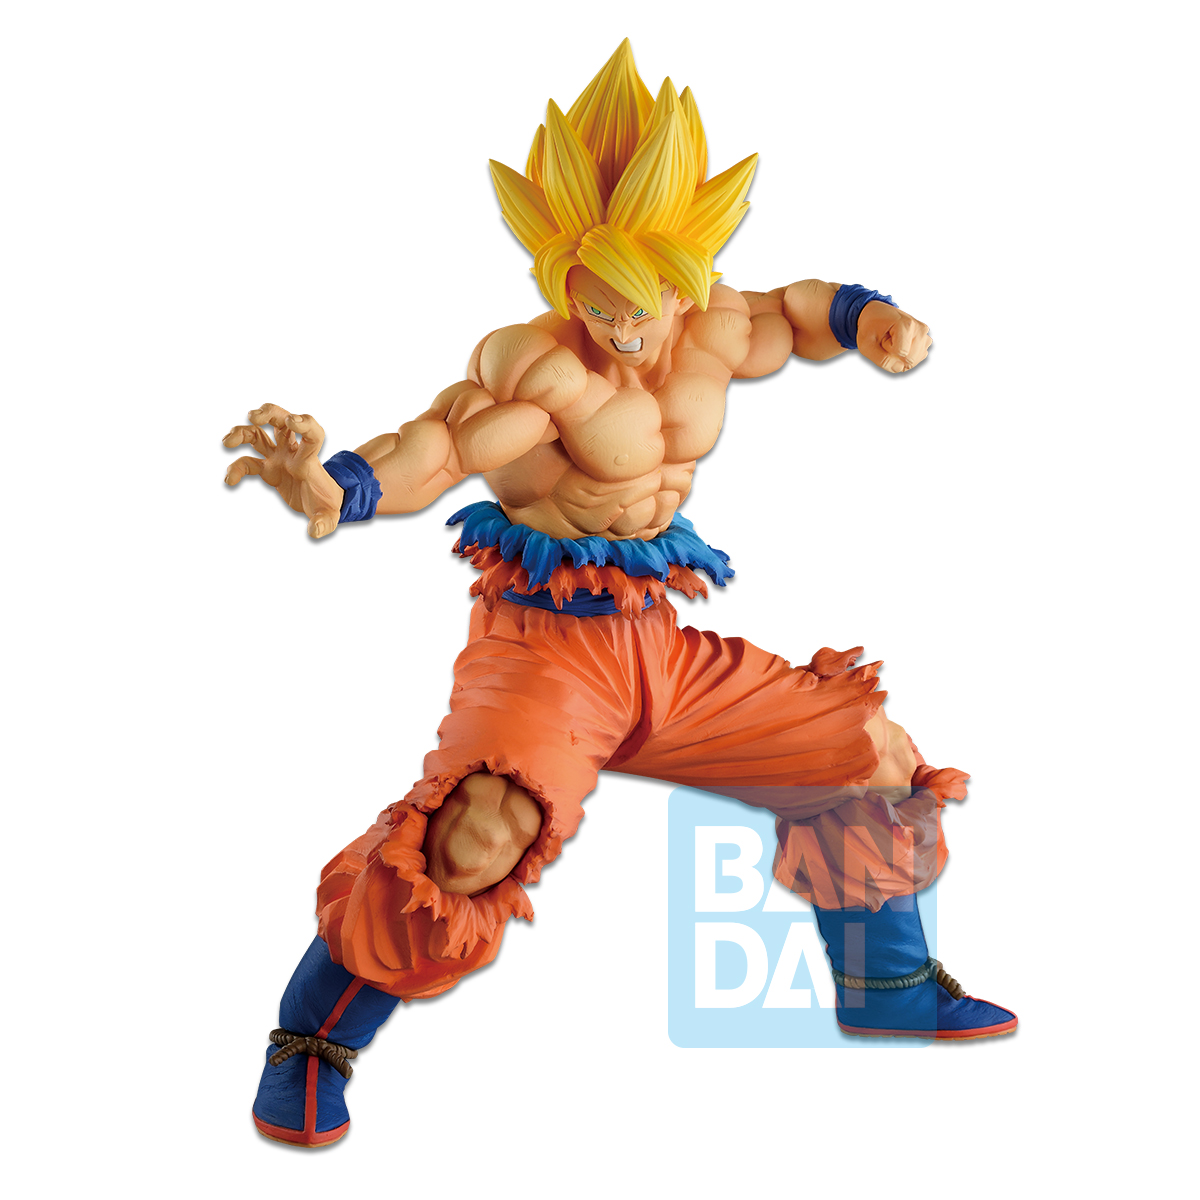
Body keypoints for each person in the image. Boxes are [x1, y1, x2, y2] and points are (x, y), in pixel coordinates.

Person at [225, 41, 1016, 1149]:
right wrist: (343, 484)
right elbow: (443, 444)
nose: (624, 330)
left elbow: (798, 311)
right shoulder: (538, 366)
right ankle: (311, 1045)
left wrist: (869, 319)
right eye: (598, 305)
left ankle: (886, 987)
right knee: (476, 835)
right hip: (544, 652)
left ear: (685, 271)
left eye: (644, 304)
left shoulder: (715, 327)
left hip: (657, 643)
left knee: (870, 752)